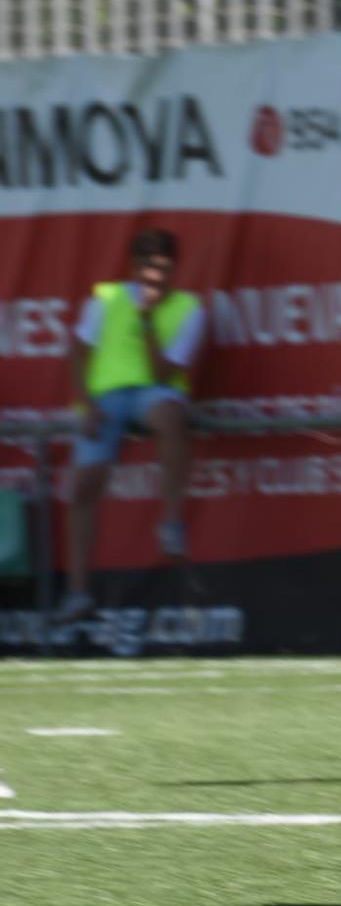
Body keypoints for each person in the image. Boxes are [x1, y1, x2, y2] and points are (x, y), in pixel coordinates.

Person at [58, 228, 204, 623]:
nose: (154, 275)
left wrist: (148, 319)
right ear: (134, 266)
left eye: (162, 267)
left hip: (153, 394)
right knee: (86, 481)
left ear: (174, 268)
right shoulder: (105, 298)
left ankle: (171, 522)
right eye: (147, 266)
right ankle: (77, 593)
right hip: (105, 398)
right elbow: (78, 352)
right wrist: (85, 405)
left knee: (173, 417)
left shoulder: (190, 308)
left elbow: (162, 371)